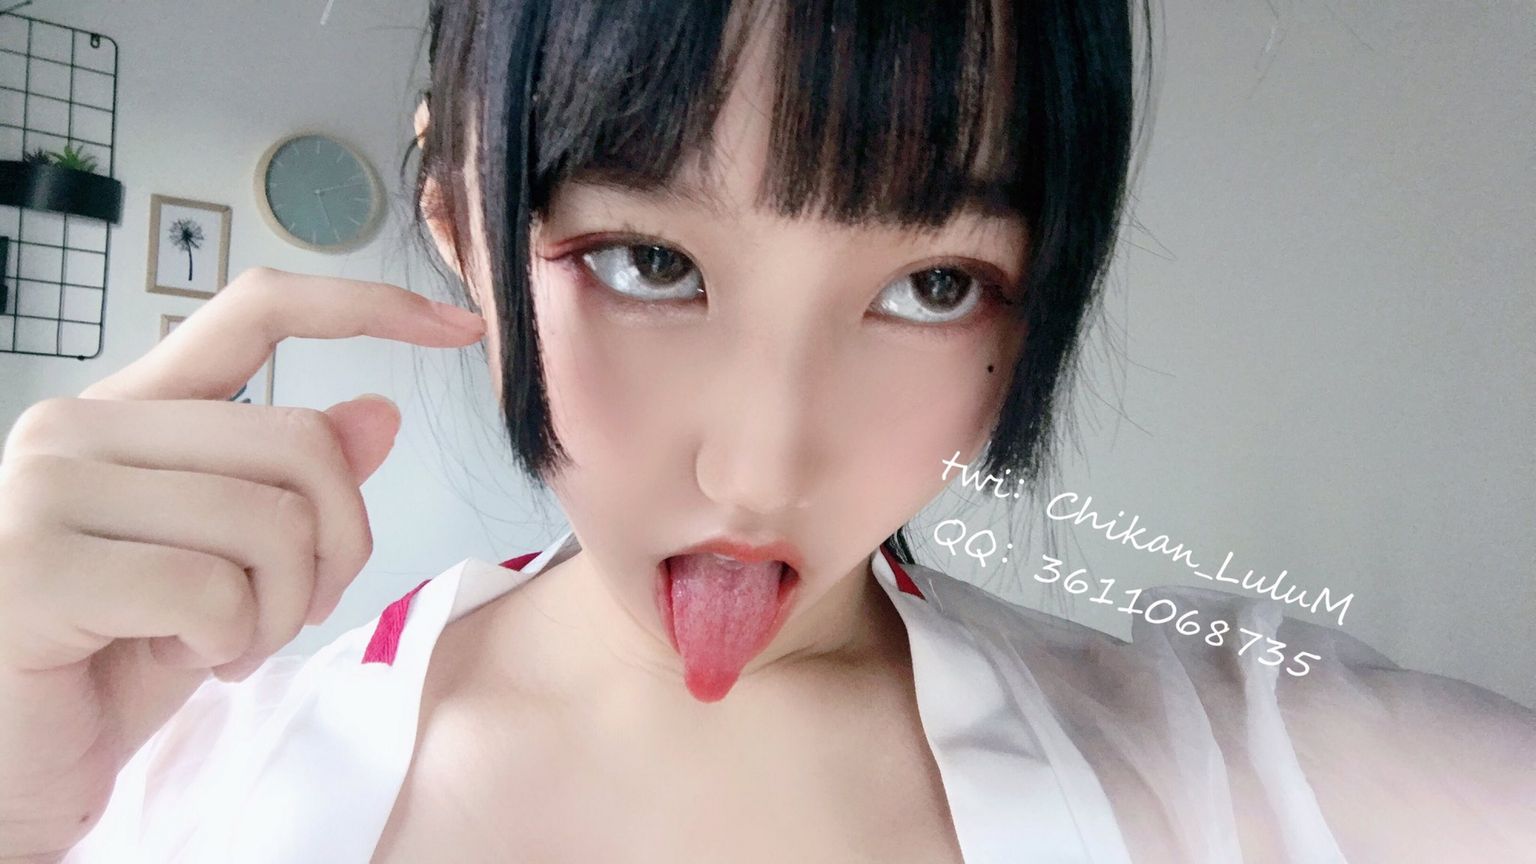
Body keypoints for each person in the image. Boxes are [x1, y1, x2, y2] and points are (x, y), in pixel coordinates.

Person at [1, 0, 1532, 862]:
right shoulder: (170, 783)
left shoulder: (1236, 778)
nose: (759, 469)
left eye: (934, 285)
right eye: (648, 262)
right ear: (464, 229)